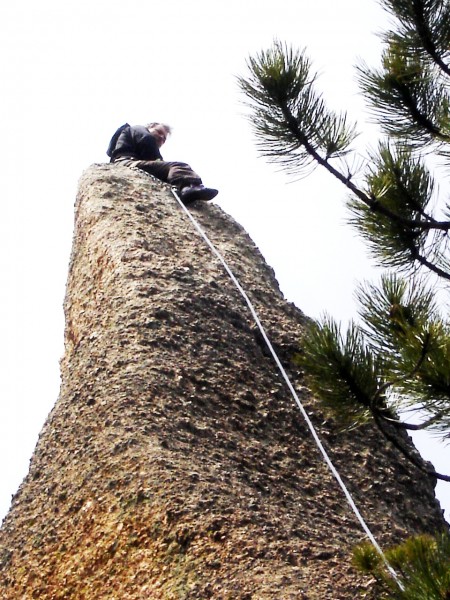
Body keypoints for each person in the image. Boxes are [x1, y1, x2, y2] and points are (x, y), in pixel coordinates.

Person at [108, 122, 218, 204]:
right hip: (126, 162)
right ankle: (189, 187)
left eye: (164, 139)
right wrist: (159, 162)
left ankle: (186, 189)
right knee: (177, 166)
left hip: (132, 163)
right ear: (149, 127)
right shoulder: (138, 129)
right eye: (159, 132)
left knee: (171, 170)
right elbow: (147, 140)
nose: (161, 137)